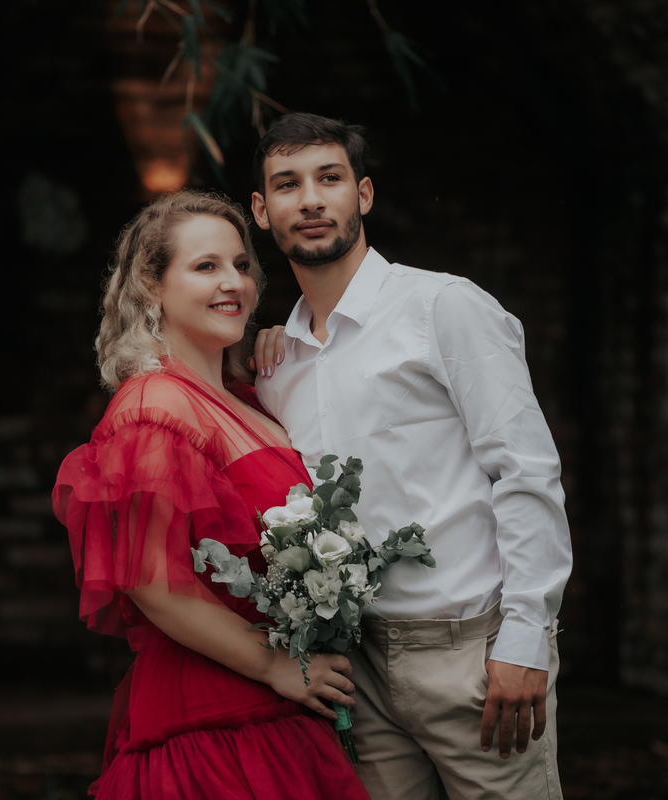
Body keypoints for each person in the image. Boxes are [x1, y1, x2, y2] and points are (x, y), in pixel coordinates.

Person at [248, 113, 573, 799]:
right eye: (287, 184)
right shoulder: (277, 362)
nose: (310, 200)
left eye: (329, 178)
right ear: (261, 209)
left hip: (470, 650)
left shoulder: (443, 307)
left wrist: (525, 636)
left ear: (363, 194)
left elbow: (524, 471)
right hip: (356, 665)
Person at [52, 190, 372, 800]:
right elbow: (148, 582)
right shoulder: (155, 405)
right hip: (215, 713)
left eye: (242, 265)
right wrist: (274, 665)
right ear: (152, 287)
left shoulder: (244, 396)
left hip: (280, 699)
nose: (234, 283)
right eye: (206, 266)